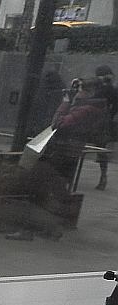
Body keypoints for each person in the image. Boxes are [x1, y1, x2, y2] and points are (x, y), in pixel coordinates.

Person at [7, 76, 109, 241]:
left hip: (59, 154)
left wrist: (65, 103)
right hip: (69, 153)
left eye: (80, 90)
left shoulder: (86, 109)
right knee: (54, 191)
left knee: (35, 188)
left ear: (90, 92)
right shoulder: (95, 108)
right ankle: (52, 228)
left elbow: (58, 124)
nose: (78, 93)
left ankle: (28, 229)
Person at [93, 65, 117, 189]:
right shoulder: (112, 89)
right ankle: (103, 176)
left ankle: (103, 177)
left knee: (100, 148)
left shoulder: (105, 89)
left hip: (98, 122)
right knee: (101, 149)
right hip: (103, 122)